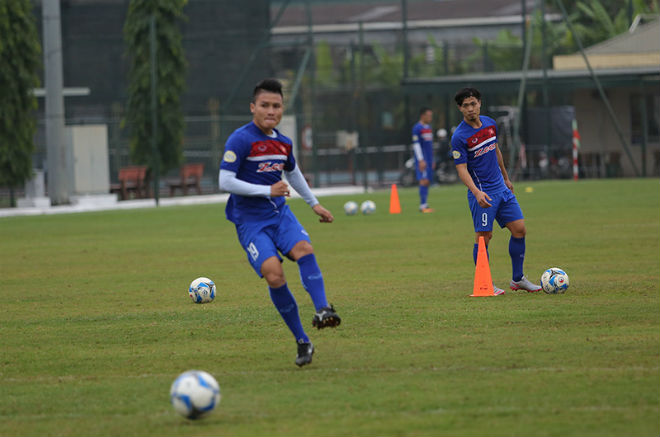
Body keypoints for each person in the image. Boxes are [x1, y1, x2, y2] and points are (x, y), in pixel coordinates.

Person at [218, 78, 341, 367]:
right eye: (265, 105)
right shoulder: (241, 139)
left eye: (276, 106)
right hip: (249, 221)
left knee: (305, 249)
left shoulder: (283, 142)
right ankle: (302, 341)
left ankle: (324, 309)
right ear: (253, 107)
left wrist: (315, 204)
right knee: (274, 274)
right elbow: (225, 180)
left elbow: (294, 173)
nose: (271, 111)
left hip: (279, 214)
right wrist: (267, 190)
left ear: (282, 109)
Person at [450, 87, 541, 294]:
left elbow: (496, 150)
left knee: (519, 230)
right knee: (484, 237)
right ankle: (485, 283)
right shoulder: (459, 137)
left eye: (473, 104)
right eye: (466, 106)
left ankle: (518, 279)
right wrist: (476, 192)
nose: (471, 109)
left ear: (480, 103)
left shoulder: (490, 124)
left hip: (502, 188)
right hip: (483, 193)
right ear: (460, 109)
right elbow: (461, 170)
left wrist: (506, 178)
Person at [411, 107, 435, 213]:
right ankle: (422, 206)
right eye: (428, 115)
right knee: (423, 180)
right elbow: (416, 145)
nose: (430, 117)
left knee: (427, 181)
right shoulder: (417, 128)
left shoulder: (428, 127)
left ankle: (425, 204)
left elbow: (430, 146)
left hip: (429, 159)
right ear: (422, 116)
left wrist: (432, 160)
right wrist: (421, 160)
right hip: (423, 159)